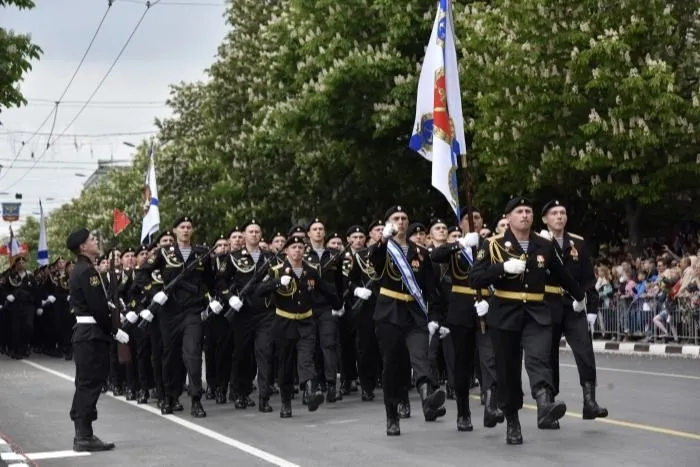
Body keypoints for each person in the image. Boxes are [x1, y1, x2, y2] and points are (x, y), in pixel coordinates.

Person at [469, 197, 586, 445]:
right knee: (508, 370)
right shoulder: (492, 245)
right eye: (519, 211)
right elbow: (475, 278)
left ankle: (544, 403)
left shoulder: (543, 243)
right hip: (505, 313)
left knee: (539, 357)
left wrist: (580, 296)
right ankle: (512, 420)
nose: (525, 215)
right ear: (508, 217)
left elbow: (562, 273)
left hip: (536, 311)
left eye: (528, 212)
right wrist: (501, 268)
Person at [66, 228, 129, 452]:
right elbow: (96, 309)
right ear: (83, 247)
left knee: (86, 383)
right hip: (91, 335)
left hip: (87, 334)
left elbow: (97, 304)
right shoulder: (87, 272)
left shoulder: (84, 269)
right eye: (92, 239)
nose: (96, 241)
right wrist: (113, 330)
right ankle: (83, 436)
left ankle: (84, 434)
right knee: (89, 384)